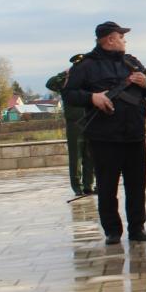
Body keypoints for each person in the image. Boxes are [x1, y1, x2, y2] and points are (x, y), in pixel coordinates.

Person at [62, 22, 146, 245]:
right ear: (110, 40)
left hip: (134, 133)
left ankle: (137, 228)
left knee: (137, 184)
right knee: (107, 186)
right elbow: (69, 94)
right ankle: (113, 231)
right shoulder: (85, 66)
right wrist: (92, 98)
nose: (125, 41)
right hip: (104, 137)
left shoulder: (132, 62)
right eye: (121, 37)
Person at [46, 55, 94, 197]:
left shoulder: (88, 79)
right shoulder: (66, 81)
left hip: (89, 121)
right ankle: (77, 187)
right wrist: (65, 74)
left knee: (90, 155)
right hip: (74, 123)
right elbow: (50, 84)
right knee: (76, 156)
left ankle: (88, 186)